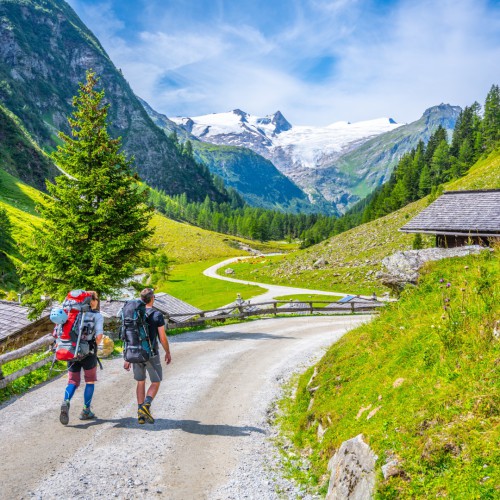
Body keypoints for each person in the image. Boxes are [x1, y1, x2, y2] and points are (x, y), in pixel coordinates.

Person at [124, 288, 171, 424]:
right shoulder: (157, 315)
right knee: (156, 381)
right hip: (151, 353)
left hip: (134, 352)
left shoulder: (134, 314)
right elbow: (162, 337)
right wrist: (167, 352)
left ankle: (141, 414)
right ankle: (146, 405)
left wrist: (126, 357)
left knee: (140, 382)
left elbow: (127, 336)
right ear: (152, 298)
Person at [59, 291, 104, 425]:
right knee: (90, 381)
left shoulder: (71, 313)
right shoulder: (97, 316)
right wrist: (94, 344)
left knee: (72, 381)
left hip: (71, 350)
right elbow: (99, 336)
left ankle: (66, 401)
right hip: (88, 352)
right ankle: (86, 410)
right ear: (92, 301)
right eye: (96, 298)